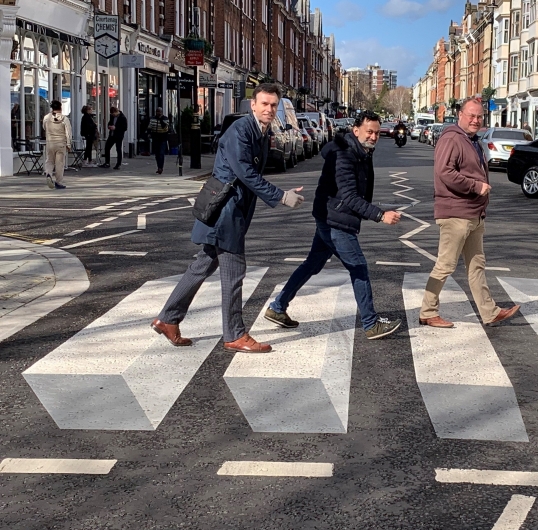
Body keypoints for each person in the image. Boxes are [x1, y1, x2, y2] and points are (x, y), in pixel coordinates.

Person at [151, 83, 305, 353]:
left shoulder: (261, 130)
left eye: (273, 105)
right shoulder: (240, 130)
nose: (269, 109)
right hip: (224, 210)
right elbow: (245, 172)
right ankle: (234, 334)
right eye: (264, 104)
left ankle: (168, 319)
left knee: (202, 266)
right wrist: (280, 196)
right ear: (253, 105)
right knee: (234, 272)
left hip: (231, 207)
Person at [263, 110, 403, 340]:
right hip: (335, 220)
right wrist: (379, 215)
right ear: (356, 130)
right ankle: (371, 323)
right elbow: (349, 197)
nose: (374, 136)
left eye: (377, 133)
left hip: (329, 216)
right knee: (358, 267)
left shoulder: (360, 151)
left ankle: (278, 307)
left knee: (312, 264)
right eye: (369, 132)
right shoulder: (345, 155)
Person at [418, 97, 520, 329]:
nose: (475, 120)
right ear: (460, 115)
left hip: (473, 212)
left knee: (476, 265)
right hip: (456, 212)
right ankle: (428, 311)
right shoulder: (452, 138)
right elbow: (444, 172)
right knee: (445, 265)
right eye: (471, 115)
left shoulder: (472, 140)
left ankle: (490, 312)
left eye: (479, 116)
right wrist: (476, 186)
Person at [42, 100, 72, 190]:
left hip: (50, 142)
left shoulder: (46, 118)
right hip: (61, 143)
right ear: (60, 107)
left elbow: (44, 127)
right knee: (59, 163)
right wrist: (69, 144)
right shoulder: (64, 119)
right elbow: (68, 133)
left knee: (49, 160)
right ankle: (58, 182)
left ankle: (48, 173)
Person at [147, 107, 169, 174]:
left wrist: (160, 119)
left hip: (163, 137)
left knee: (161, 153)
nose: (158, 113)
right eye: (157, 111)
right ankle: (159, 167)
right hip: (155, 137)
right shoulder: (152, 119)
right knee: (157, 154)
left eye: (159, 112)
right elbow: (150, 127)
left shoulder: (165, 119)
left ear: (162, 112)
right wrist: (149, 133)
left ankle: (161, 168)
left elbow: (165, 127)